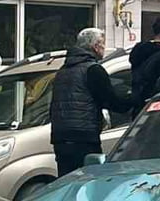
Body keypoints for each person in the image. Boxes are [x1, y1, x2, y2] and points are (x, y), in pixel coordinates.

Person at [50, 27, 134, 177]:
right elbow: (112, 102)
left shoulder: (62, 71)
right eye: (102, 45)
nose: (104, 49)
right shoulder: (93, 70)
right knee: (88, 181)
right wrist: (134, 98)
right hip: (84, 137)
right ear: (95, 46)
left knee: (66, 182)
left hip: (60, 138)